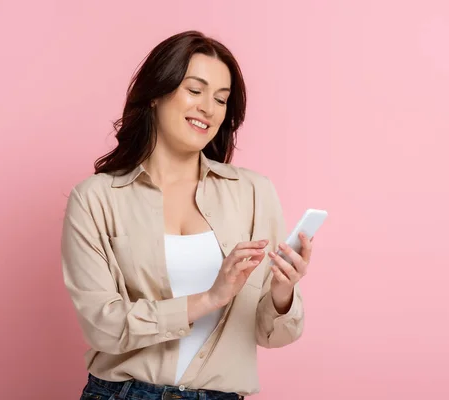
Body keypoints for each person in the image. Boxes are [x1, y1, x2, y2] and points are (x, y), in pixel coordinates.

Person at [61, 30, 314, 400]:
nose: (208, 109)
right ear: (155, 95)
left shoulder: (254, 193)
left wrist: (282, 293)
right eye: (194, 91)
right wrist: (210, 298)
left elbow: (272, 334)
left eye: (221, 99)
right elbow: (103, 326)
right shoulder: (96, 199)